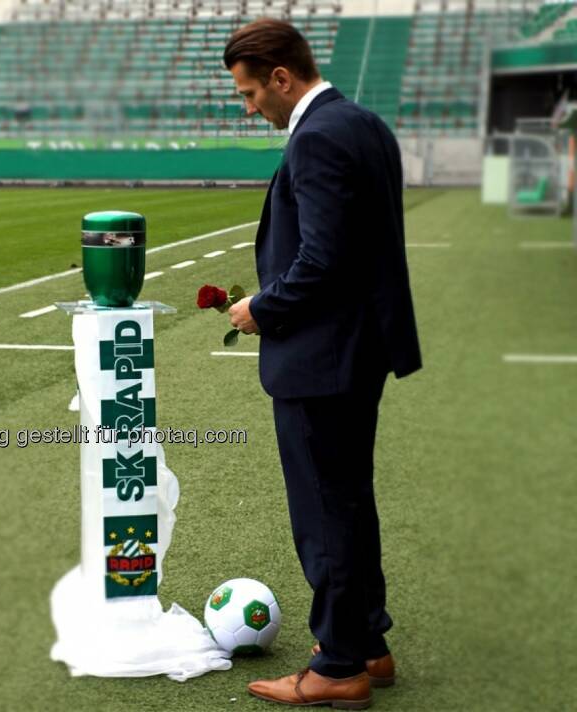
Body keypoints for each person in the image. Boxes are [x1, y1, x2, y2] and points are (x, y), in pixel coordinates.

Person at [222, 18, 422, 710]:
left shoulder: (319, 136)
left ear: (282, 77)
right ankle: (367, 641)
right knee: (347, 500)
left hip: (322, 356)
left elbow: (323, 261)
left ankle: (339, 665)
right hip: (356, 350)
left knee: (326, 515)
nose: (251, 109)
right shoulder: (363, 123)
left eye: (251, 94)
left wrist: (260, 310)